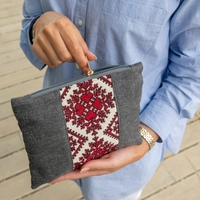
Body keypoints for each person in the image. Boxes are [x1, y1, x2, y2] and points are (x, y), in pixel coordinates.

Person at [20, 0, 200, 199]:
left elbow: (191, 71)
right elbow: (30, 19)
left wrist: (145, 138)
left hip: (129, 143)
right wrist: (38, 26)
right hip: (60, 127)